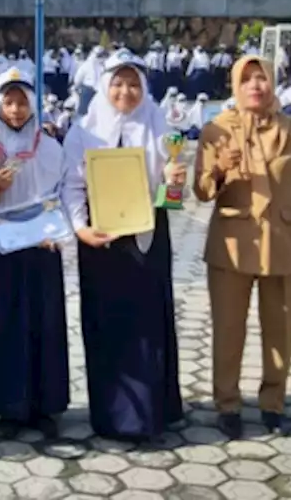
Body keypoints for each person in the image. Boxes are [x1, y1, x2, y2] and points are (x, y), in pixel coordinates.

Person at [193, 54, 291, 439]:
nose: (255, 86)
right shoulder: (216, 130)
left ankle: (273, 404)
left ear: (272, 83)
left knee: (279, 330)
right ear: (235, 85)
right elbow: (200, 191)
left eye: (261, 78)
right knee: (228, 330)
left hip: (283, 241)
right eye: (247, 79)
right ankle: (227, 405)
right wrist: (220, 168)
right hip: (232, 243)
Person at [60, 49, 185, 440]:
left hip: (146, 237)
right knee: (106, 323)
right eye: (117, 82)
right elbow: (71, 186)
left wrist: (175, 183)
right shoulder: (84, 130)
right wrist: (80, 229)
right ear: (104, 85)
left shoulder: (159, 127)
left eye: (133, 83)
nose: (125, 91)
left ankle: (151, 413)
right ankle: (112, 414)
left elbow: (171, 197)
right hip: (101, 241)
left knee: (149, 323)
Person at [0, 67, 69, 436]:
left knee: (43, 324)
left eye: (22, 101)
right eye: (8, 101)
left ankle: (44, 405)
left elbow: (61, 193)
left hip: (42, 246)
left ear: (34, 104)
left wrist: (55, 228)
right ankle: (7, 404)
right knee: (4, 324)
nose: (15, 110)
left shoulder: (49, 148)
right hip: (4, 246)